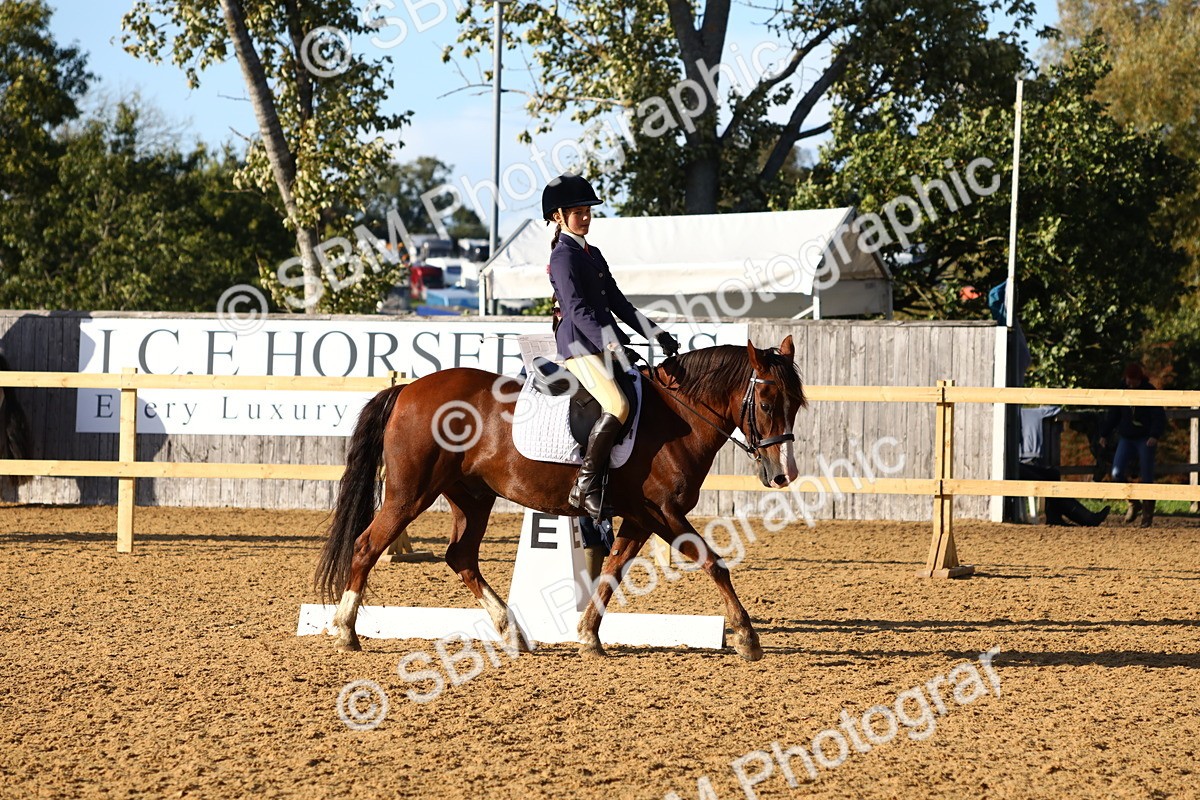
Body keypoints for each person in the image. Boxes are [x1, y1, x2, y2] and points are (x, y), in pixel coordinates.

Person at [542, 174, 680, 521]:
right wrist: (614, 343)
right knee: (617, 405)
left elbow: (618, 302)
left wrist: (656, 333)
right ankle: (584, 485)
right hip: (578, 345)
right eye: (578, 212)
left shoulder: (593, 253)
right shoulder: (563, 257)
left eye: (588, 211)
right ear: (558, 216)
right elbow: (577, 310)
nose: (586, 217)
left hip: (600, 343)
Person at [1099, 363, 1167, 527]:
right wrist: (1104, 433)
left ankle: (1147, 514)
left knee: (1147, 475)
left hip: (1144, 438)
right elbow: (1114, 414)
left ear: (1139, 379)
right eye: (1128, 380)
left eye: (1133, 381)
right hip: (1127, 437)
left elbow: (1159, 415)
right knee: (1116, 472)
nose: (1129, 383)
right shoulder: (1122, 389)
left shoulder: (1149, 391)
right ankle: (1133, 502)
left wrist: (1154, 435)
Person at [1018, 405, 1109, 526]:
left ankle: (1055, 517)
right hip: (1013, 468)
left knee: (1053, 474)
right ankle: (1087, 518)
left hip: (1016, 465)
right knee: (1046, 481)